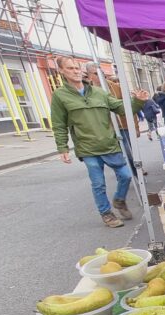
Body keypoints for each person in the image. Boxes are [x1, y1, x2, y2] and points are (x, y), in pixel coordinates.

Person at [51, 56, 147, 228]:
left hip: (109, 143)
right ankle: (106, 213)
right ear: (61, 71)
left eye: (76, 68)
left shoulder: (99, 92)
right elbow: (58, 124)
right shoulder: (60, 96)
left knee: (126, 175)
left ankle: (119, 200)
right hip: (87, 147)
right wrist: (62, 147)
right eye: (70, 68)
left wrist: (138, 101)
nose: (75, 71)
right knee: (98, 183)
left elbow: (121, 108)